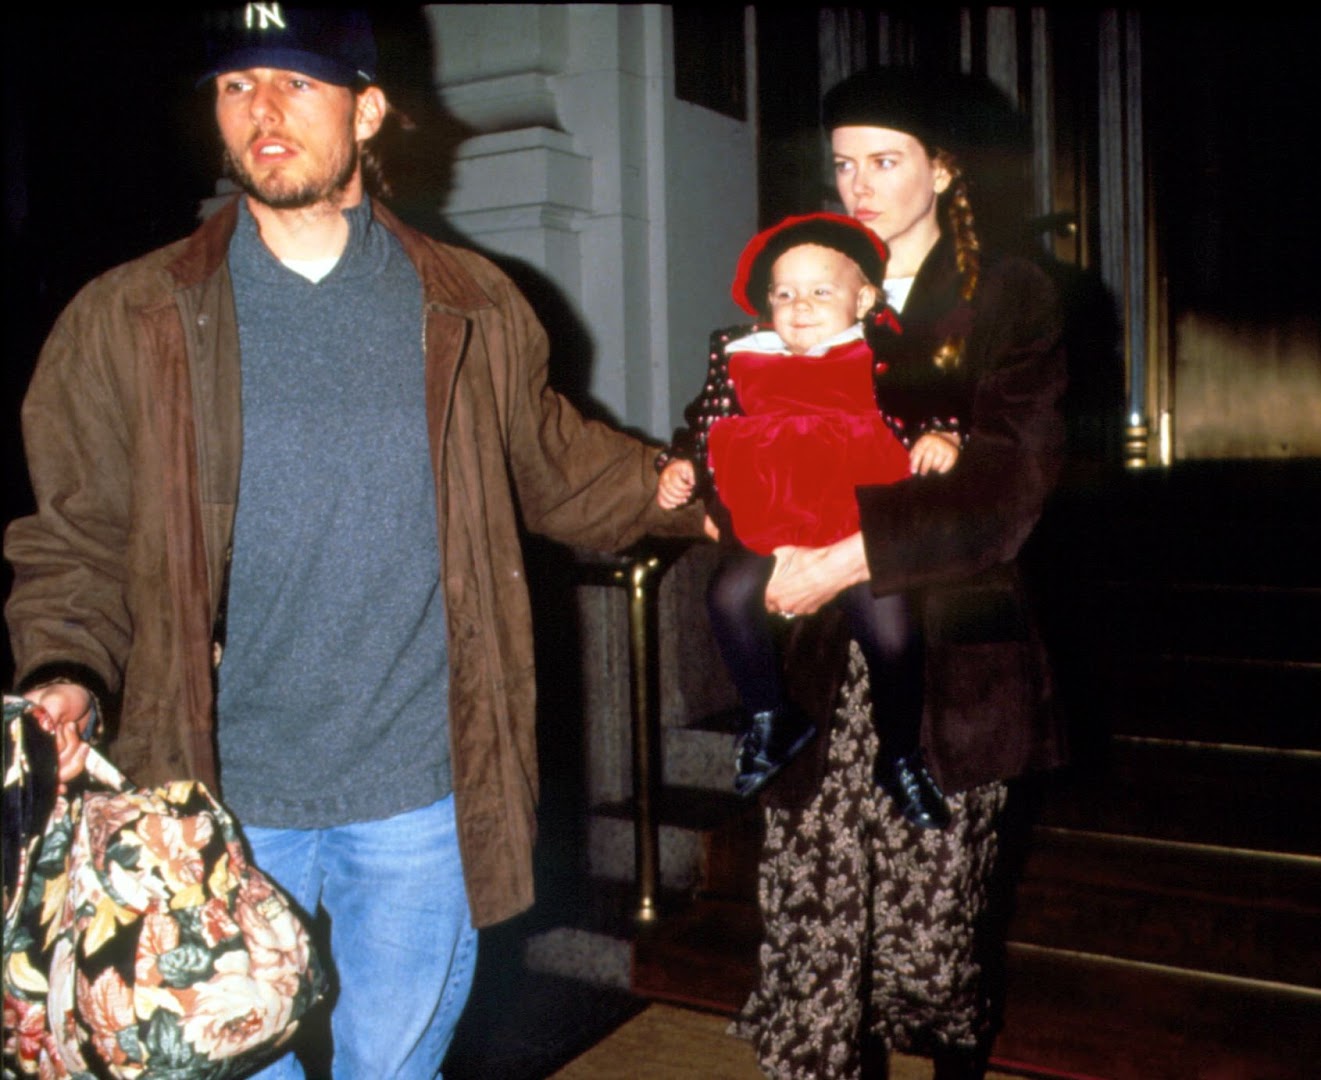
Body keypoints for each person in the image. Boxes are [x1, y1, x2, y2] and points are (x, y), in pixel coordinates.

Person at [3, 8, 697, 1079]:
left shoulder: (469, 305)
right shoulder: (127, 317)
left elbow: (559, 464)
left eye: (298, 82)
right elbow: (75, 537)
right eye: (238, 86)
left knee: (395, 1067)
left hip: (418, 787)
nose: (262, 111)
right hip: (211, 791)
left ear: (369, 110)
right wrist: (63, 665)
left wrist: (710, 489)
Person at [729, 68, 1074, 1079]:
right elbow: (744, 422)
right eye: (844, 165)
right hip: (814, 656)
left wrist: (852, 554)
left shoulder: (1008, 293)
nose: (858, 186)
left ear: (945, 168)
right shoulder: (815, 274)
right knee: (813, 924)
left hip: (948, 650)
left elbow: (1013, 479)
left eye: (885, 162)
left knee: (935, 931)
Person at [657, 213, 962, 828]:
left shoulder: (883, 353)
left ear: (864, 297)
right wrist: (682, 466)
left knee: (893, 633)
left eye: (821, 291)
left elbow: (935, 400)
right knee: (727, 594)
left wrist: (943, 435)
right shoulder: (742, 354)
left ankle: (900, 753)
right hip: (772, 514)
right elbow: (705, 424)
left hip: (857, 522)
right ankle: (772, 716)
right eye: (784, 293)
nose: (799, 307)